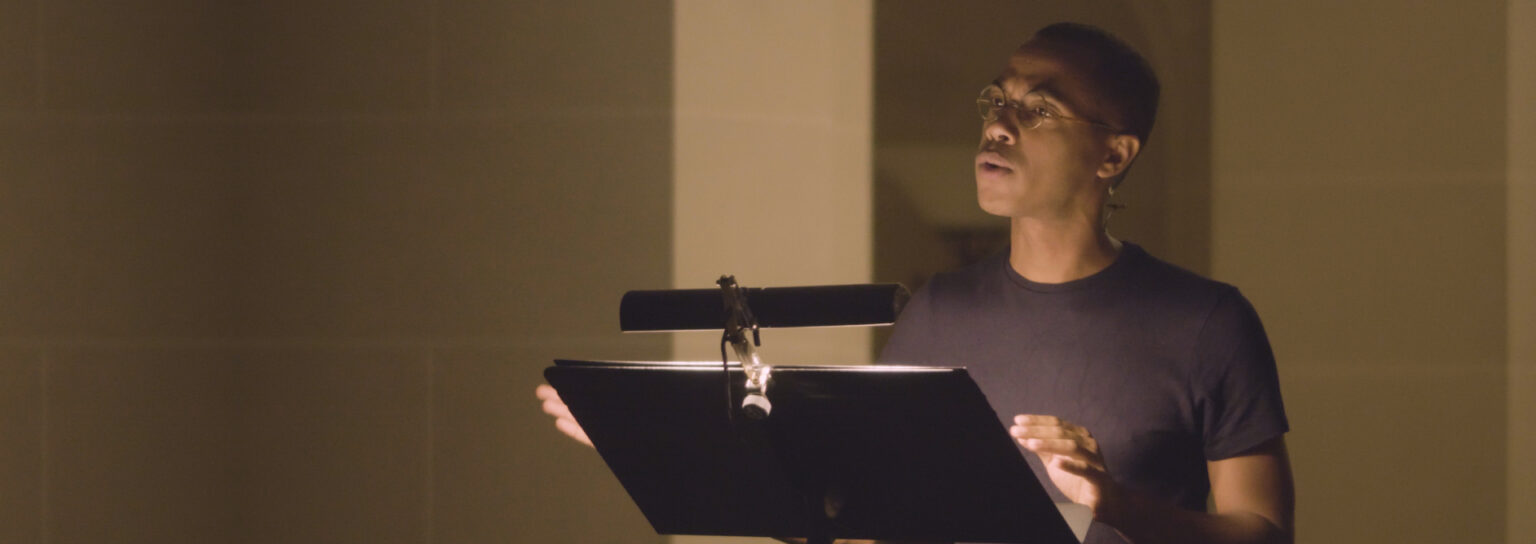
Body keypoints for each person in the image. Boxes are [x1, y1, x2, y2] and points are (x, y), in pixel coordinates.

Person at [538, 22, 1293, 544]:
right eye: (996, 100)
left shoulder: (1207, 322)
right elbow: (864, 524)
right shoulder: (938, 310)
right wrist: (656, 444)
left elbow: (1263, 532)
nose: (998, 125)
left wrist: (1116, 503)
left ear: (1113, 156)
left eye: (1038, 109)